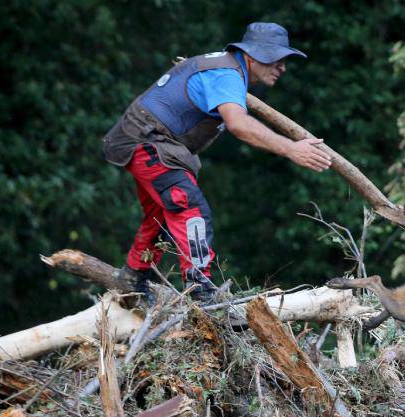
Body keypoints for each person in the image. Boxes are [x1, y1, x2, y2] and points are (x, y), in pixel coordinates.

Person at [103, 22, 331, 303]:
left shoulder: (227, 71)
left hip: (145, 142)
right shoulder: (227, 75)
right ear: (252, 55)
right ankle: (200, 290)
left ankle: (133, 280)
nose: (282, 67)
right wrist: (291, 149)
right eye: (277, 58)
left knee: (161, 217)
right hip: (148, 142)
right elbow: (239, 124)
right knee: (191, 208)